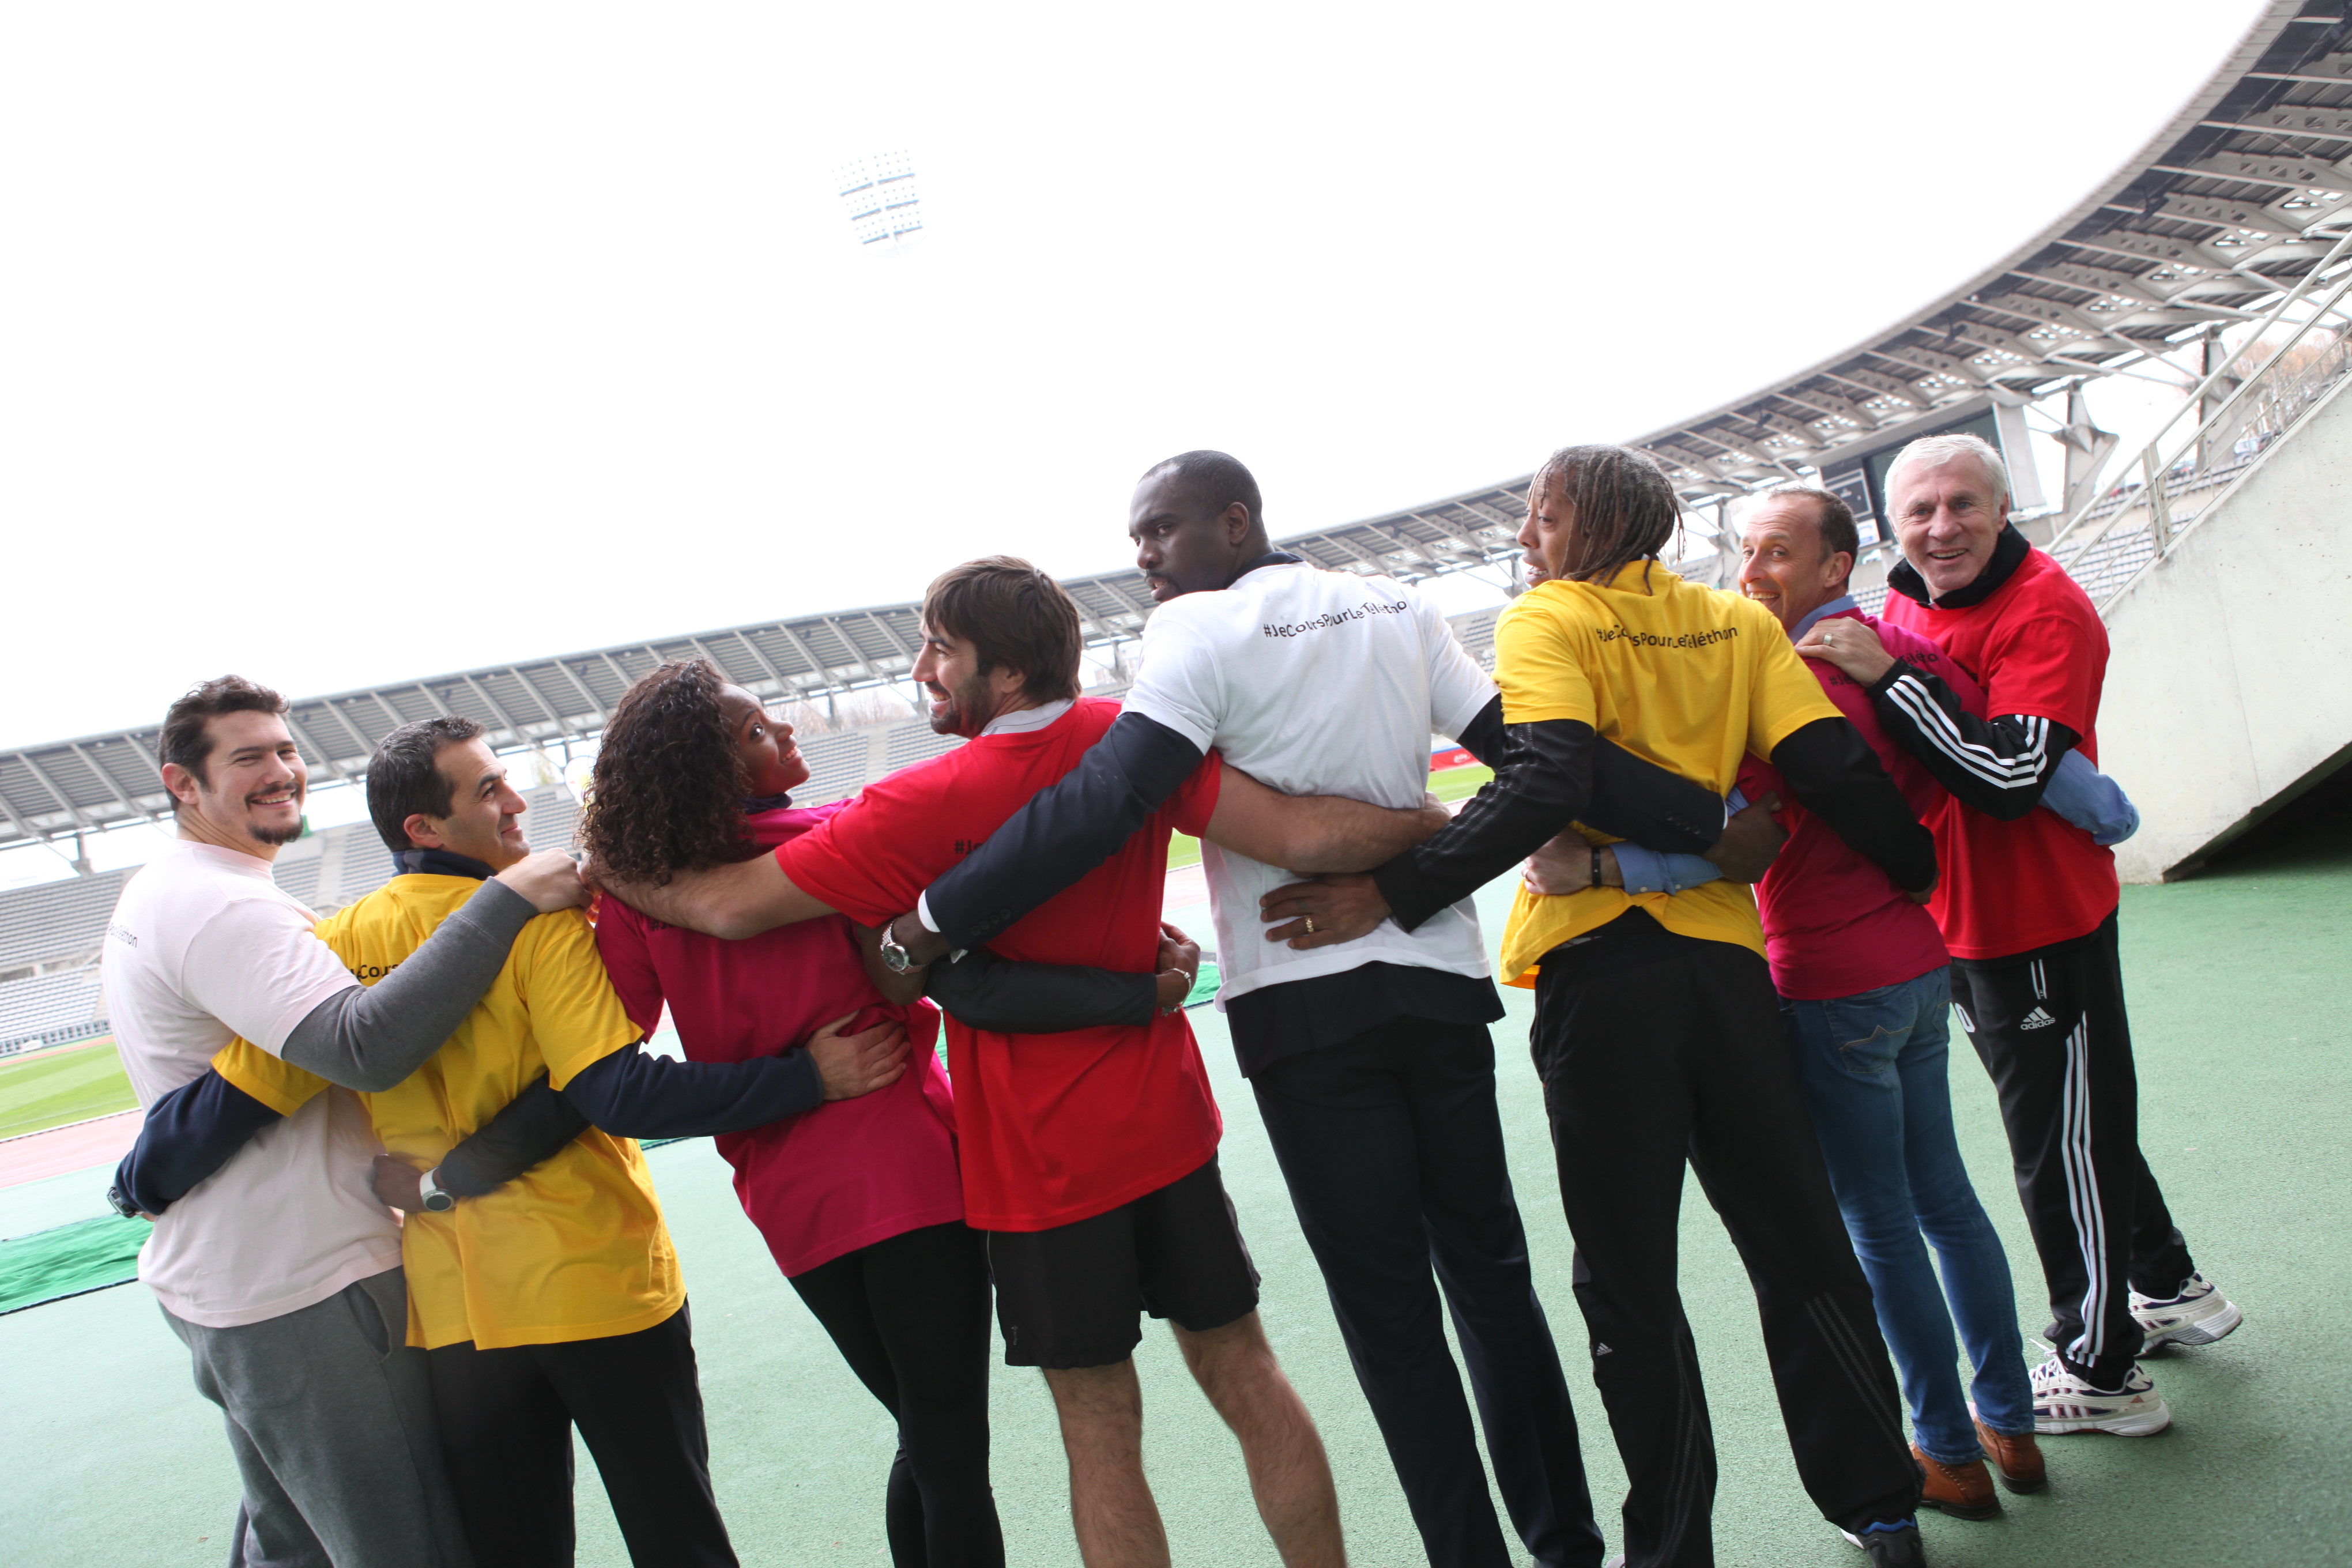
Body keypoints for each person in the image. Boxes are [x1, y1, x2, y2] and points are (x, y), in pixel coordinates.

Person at [883, 451, 1762, 1568]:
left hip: (1304, 1009)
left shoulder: (1195, 632)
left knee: (1393, 1318)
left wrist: (931, 920)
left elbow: (1108, 797)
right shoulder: (1399, 605)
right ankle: (1569, 1546)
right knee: (1494, 1283)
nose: (1144, 555)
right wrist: (1702, 821)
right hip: (1438, 983)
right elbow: (1536, 766)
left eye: (1160, 530)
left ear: (1235, 520)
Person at [594, 556, 1456, 1568]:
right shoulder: (1131, 744)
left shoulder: (907, 807)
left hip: (1036, 1167)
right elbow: (1307, 828)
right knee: (1248, 1376)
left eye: (940, 650)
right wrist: (1461, 822)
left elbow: (730, 905)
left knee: (1098, 1436)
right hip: (1168, 1121)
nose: (920, 668)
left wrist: (613, 864)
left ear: (1000, 676)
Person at [1262, 446, 1944, 1568]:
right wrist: (1911, 861)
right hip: (1728, 969)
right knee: (1800, 1240)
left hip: (1601, 981)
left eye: (1542, 513)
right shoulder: (1738, 625)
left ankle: (1672, 1548)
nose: (1526, 535)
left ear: (1592, 522)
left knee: (1629, 1277)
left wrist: (1385, 894)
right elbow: (1828, 767)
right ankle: (1883, 1504)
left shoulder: (1548, 621)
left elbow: (1547, 781)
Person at [119, 714, 913, 1568]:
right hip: (590, 1273)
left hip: (456, 1307)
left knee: (515, 1548)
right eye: (487, 788)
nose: (514, 799)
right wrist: (803, 1079)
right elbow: (611, 1090)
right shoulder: (545, 921)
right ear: (425, 827)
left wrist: (144, 1175)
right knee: (674, 1527)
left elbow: (248, 1088)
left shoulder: (340, 940)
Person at [580, 658, 1208, 1568]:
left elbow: (622, 1055)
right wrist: (1134, 983)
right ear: (709, 775)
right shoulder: (845, 838)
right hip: (909, 1166)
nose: (787, 732)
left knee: (929, 1436)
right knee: (950, 1449)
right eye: (758, 732)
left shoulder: (643, 900)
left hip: (790, 1199)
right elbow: (979, 939)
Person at [1795, 433, 2240, 1438]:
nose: (1941, 527)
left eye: (1962, 505)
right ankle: (2165, 1284)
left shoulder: (2049, 608)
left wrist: (1890, 680)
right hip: (1958, 917)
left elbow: (2004, 780)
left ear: (2002, 509)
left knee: (2053, 1145)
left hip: (2037, 915)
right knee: (2071, 1125)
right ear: (1889, 528)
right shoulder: (1906, 598)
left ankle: (2100, 1367)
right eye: (1920, 511)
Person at [99, 674, 590, 1568]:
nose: (280, 771)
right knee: (401, 1547)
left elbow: (257, 1075)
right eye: (248, 758)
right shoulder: (226, 904)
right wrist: (508, 898)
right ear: (183, 783)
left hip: (236, 1280)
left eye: (284, 751)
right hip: (302, 1283)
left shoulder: (180, 884)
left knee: (294, 1546)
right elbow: (360, 1047)